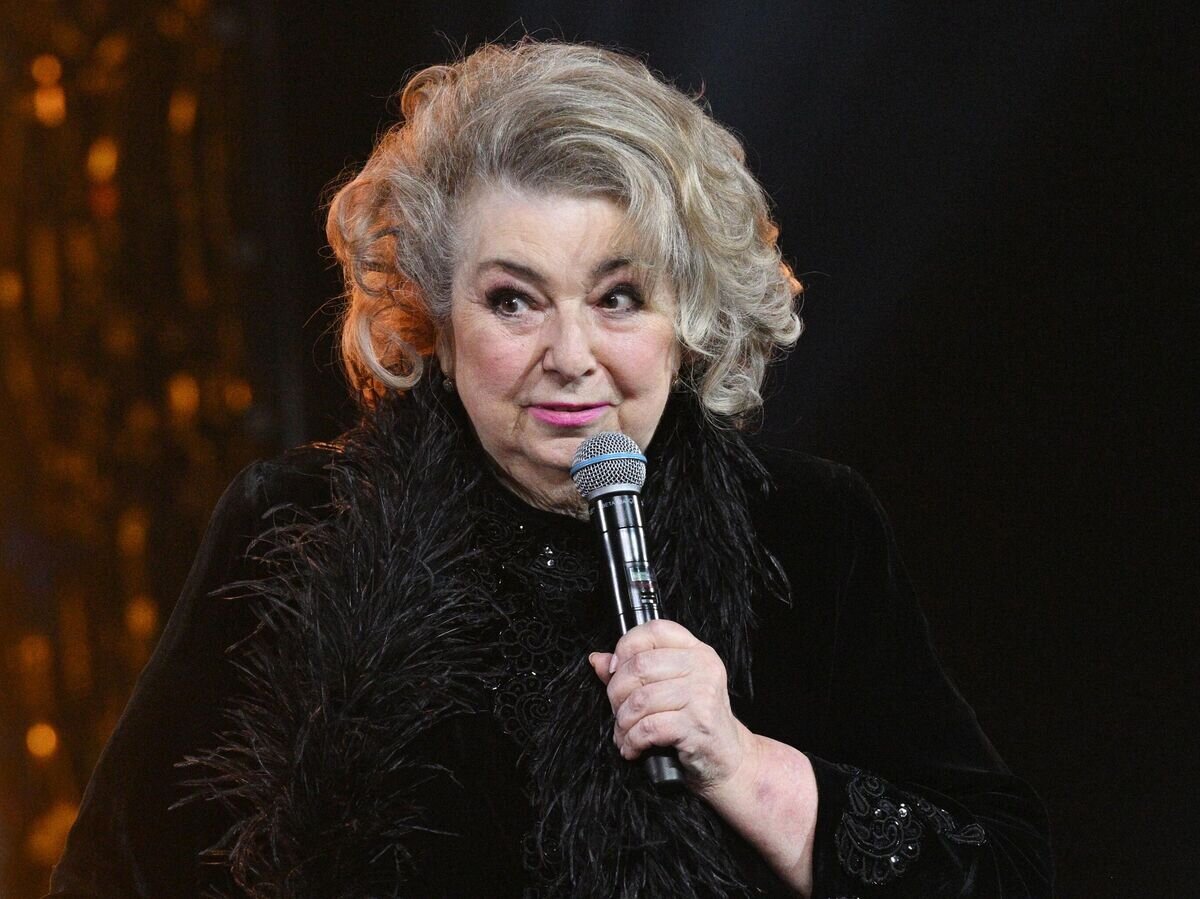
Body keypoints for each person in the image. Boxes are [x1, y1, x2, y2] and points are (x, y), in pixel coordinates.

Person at [47, 41, 1053, 897]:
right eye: (514, 300)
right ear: (437, 323)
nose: (571, 355)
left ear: (688, 320)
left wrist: (744, 764)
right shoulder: (296, 528)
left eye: (617, 296)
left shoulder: (810, 531)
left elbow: (1004, 868)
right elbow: (110, 874)